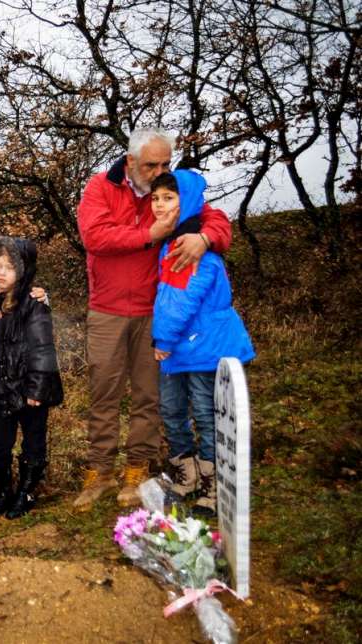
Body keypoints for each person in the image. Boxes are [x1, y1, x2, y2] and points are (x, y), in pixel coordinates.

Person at [74, 128, 233, 510]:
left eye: (165, 162)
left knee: (149, 394)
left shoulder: (173, 189)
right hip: (108, 308)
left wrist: (205, 239)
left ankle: (136, 467)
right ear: (130, 162)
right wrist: (150, 233)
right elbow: (95, 236)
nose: (160, 170)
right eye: (151, 164)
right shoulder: (100, 188)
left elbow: (219, 222)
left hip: (154, 311)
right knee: (104, 392)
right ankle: (100, 470)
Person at [150, 170, 255, 516]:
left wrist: (162, 339)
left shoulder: (190, 244)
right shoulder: (171, 241)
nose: (160, 205)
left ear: (188, 202)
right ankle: (188, 473)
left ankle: (213, 484)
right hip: (181, 349)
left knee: (206, 414)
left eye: (169, 198)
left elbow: (182, 299)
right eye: (155, 198)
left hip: (203, 346)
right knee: (172, 410)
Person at [0, 237, 64, 519]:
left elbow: (42, 349)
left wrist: (36, 389)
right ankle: (4, 490)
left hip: (29, 390)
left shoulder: (34, 303)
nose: (1, 273)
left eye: (9, 268)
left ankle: (26, 492)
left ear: (23, 270)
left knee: (33, 443)